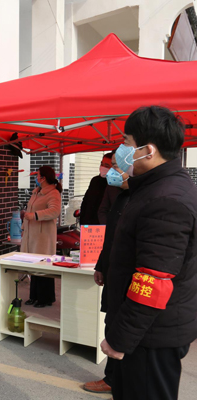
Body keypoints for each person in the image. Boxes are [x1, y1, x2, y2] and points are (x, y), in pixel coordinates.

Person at [101, 106, 197, 400]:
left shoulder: (166, 200)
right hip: (145, 332)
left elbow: (154, 280)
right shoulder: (155, 188)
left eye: (126, 142)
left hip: (150, 336)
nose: (121, 150)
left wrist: (120, 338)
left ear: (149, 151)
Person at [82, 152, 131, 395]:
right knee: (111, 321)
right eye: (108, 166)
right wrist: (101, 265)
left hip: (132, 274)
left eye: (114, 167)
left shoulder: (146, 194)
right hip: (112, 267)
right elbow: (109, 230)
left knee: (126, 326)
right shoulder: (114, 191)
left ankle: (122, 379)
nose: (110, 171)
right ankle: (111, 377)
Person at [21, 166, 62, 308]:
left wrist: (35, 216)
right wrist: (24, 227)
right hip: (31, 234)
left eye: (37, 175)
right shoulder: (36, 192)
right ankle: (34, 296)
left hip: (43, 236)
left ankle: (45, 298)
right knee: (33, 267)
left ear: (43, 178)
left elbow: (54, 211)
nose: (36, 178)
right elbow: (29, 210)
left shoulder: (53, 193)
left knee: (43, 268)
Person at [79, 153, 113, 225]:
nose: (103, 167)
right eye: (102, 164)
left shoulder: (114, 184)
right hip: (88, 224)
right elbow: (86, 201)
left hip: (103, 225)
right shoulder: (95, 180)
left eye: (107, 165)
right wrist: (82, 220)